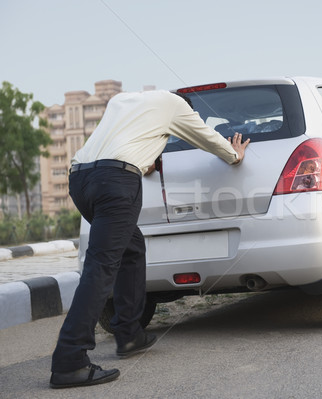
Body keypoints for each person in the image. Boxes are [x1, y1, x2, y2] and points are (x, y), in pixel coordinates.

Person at [49, 90, 250, 389]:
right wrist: (235, 154)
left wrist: (150, 159)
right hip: (116, 183)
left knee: (132, 248)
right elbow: (209, 139)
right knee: (101, 267)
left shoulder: (122, 102)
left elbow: (129, 144)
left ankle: (129, 333)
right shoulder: (177, 106)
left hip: (80, 179)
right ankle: (69, 361)